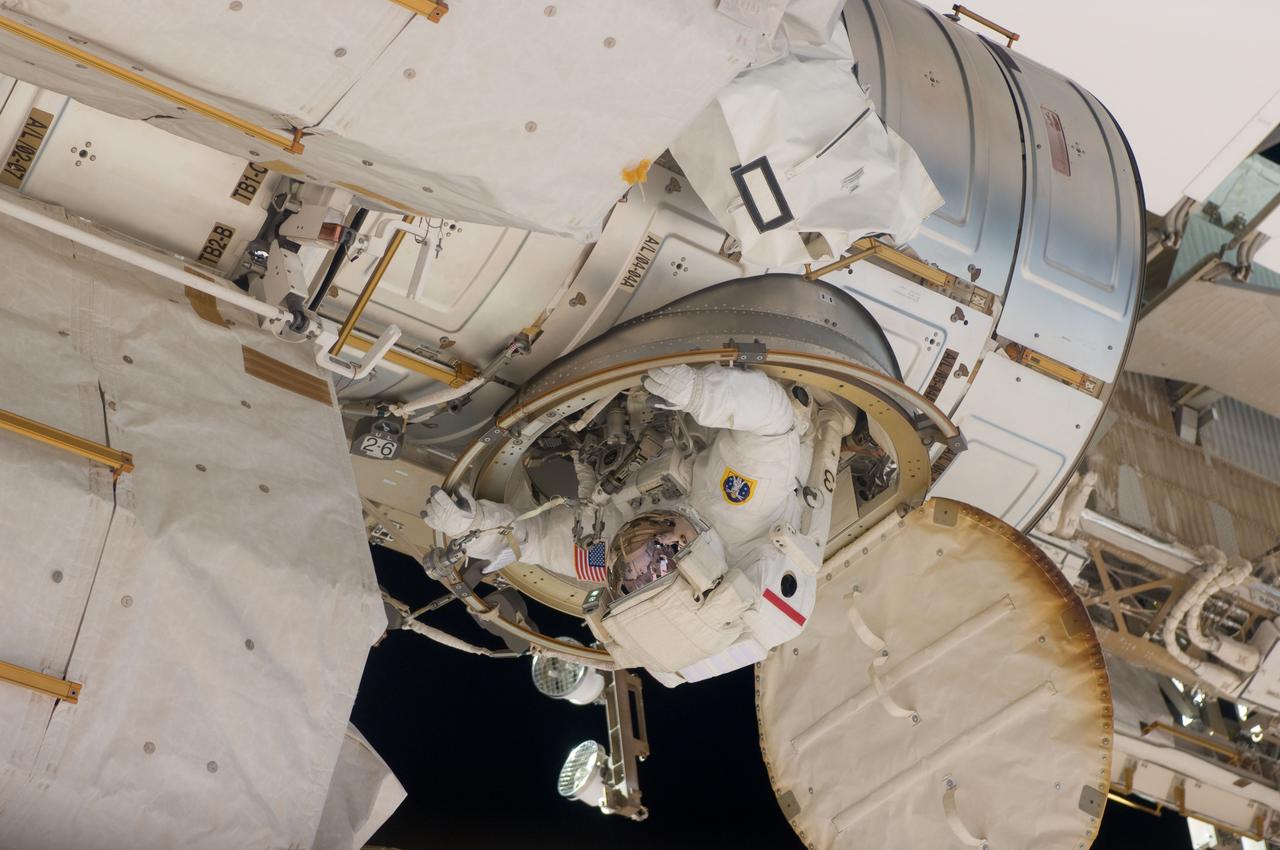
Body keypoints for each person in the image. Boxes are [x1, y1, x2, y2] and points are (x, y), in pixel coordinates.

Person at [424, 363, 810, 590]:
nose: (632, 546)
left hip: (652, 425)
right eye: (652, 548)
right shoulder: (740, 504)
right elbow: (774, 422)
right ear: (689, 552)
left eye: (628, 561)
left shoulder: (611, 556)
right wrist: (700, 394)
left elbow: (533, 541)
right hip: (719, 416)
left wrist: (471, 529)